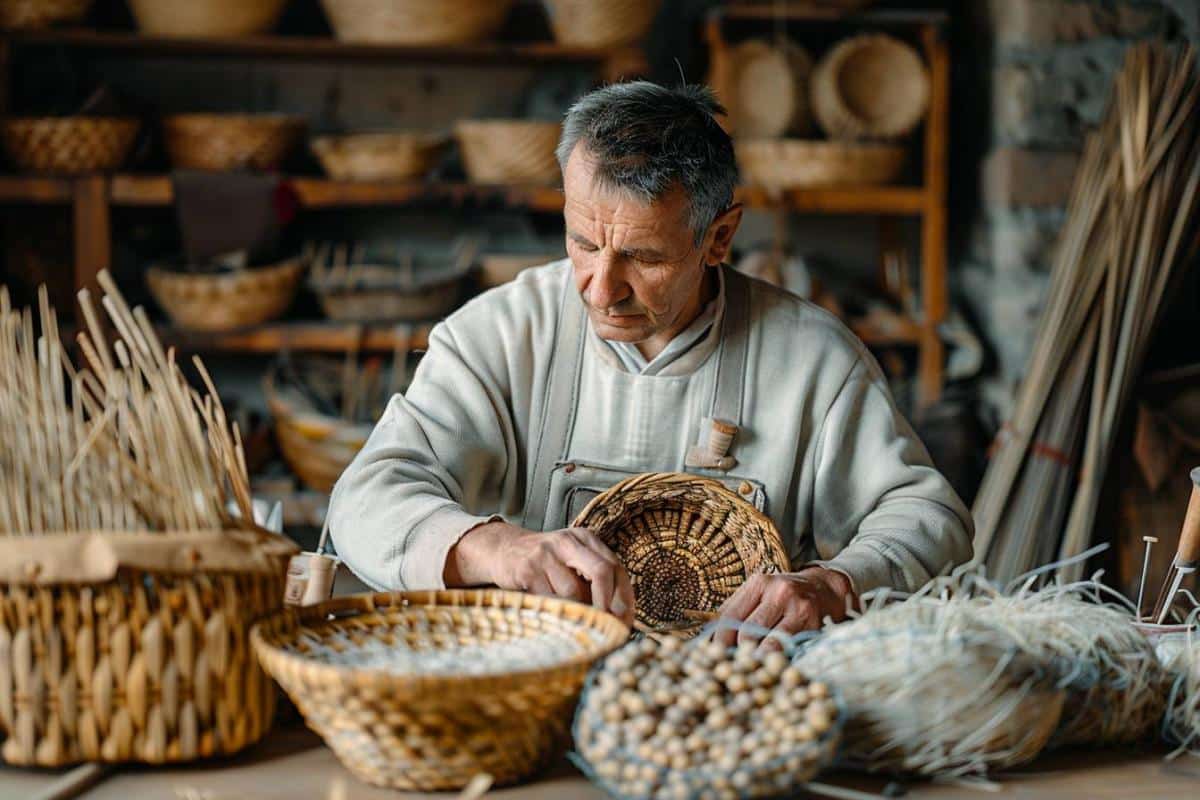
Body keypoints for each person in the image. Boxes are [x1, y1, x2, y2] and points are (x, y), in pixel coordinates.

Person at [326, 81, 973, 641]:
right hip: (529, 688)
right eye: (582, 242)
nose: (601, 289)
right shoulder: (498, 335)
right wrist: (494, 546)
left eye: (644, 258)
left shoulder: (813, 360)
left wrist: (835, 584)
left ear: (719, 238)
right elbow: (365, 498)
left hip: (743, 697)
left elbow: (930, 519)